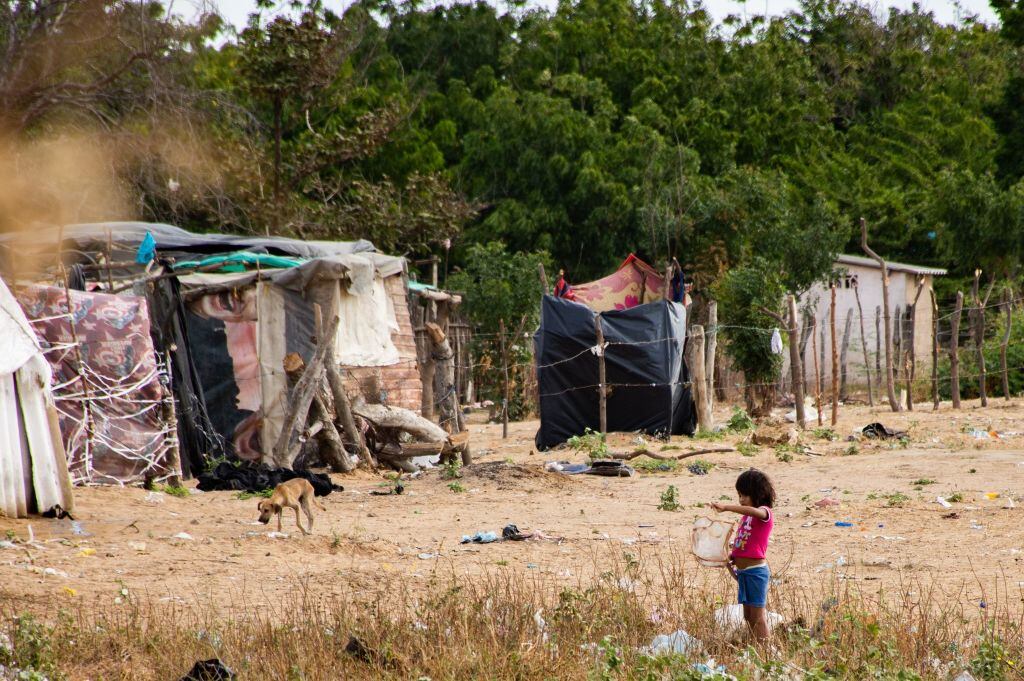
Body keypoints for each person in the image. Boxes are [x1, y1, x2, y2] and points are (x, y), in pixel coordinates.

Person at [711, 468, 776, 641]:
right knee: (748, 616)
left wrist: (726, 507)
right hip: (744, 573)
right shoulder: (745, 518)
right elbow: (745, 542)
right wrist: (732, 556)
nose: (741, 500)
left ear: (758, 493)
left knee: (758, 617)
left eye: (745, 496)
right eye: (739, 495)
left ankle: (766, 650)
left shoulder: (764, 513)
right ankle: (757, 646)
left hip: (756, 572)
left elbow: (755, 512)